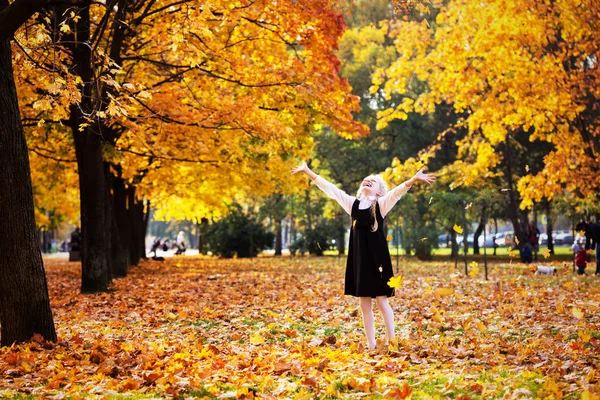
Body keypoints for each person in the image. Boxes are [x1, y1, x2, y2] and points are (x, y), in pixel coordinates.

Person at [291, 161, 435, 351]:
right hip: (359, 260)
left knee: (382, 301)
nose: (368, 181)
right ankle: (371, 344)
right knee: (364, 304)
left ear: (378, 191)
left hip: (378, 260)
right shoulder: (352, 204)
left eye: (372, 181)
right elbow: (331, 189)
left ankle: (392, 342)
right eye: (366, 180)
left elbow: (397, 192)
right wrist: (308, 171)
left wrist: (413, 180)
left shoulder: (381, 204)